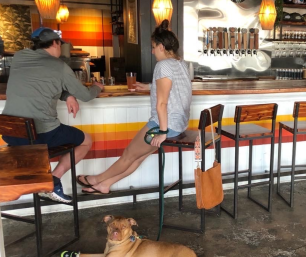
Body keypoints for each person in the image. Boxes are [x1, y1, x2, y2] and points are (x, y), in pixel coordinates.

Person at [78, 19, 192, 195]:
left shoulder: (163, 66)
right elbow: (175, 89)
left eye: (153, 47)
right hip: (178, 125)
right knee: (139, 157)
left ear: (161, 46)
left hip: (163, 126)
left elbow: (162, 104)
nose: (152, 51)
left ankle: (95, 179)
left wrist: (162, 132)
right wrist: (149, 87)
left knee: (129, 155)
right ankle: (105, 185)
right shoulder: (181, 64)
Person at [1, 27, 103, 203]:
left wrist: (67, 95)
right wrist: (98, 87)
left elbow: (37, 85)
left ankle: (45, 179)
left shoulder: (18, 58)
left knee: (40, 143)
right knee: (86, 140)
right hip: (40, 135)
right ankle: (53, 181)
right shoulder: (59, 66)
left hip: (11, 134)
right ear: (55, 43)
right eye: (60, 45)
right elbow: (86, 96)